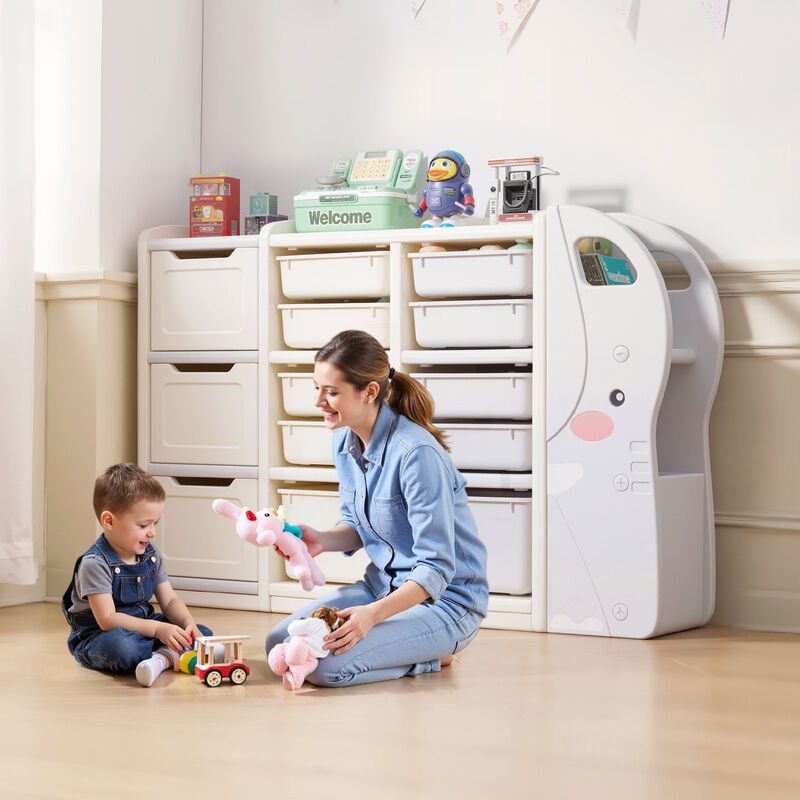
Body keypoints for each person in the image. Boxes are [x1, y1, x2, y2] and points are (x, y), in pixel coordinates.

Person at [265, 330, 488, 687]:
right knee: (278, 643)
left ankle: (431, 658)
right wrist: (321, 539)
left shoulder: (417, 455)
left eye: (331, 392)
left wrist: (371, 616)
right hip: (380, 587)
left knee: (325, 667)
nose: (318, 401)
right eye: (316, 388)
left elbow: (436, 566)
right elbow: (358, 522)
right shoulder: (344, 439)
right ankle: (406, 647)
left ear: (369, 392)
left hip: (445, 604)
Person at [62, 463, 213, 687]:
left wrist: (188, 622)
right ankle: (168, 654)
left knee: (201, 632)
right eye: (144, 525)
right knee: (124, 648)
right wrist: (159, 630)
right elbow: (108, 619)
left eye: (155, 523)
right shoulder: (94, 564)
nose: (152, 532)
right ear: (109, 521)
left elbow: (169, 600)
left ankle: (160, 658)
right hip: (99, 636)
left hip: (143, 625)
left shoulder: (150, 555)